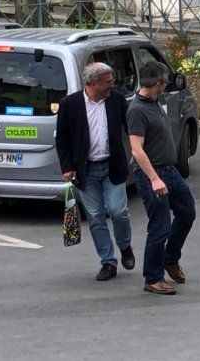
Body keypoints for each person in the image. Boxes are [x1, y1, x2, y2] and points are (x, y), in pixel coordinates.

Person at [55, 62, 134, 281]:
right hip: (85, 170)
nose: (112, 85)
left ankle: (125, 245)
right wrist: (67, 167)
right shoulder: (70, 105)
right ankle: (108, 262)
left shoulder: (117, 101)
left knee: (118, 211)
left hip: (112, 166)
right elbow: (61, 139)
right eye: (108, 82)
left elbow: (131, 128)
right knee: (96, 217)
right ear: (93, 83)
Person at [128, 61, 197, 295]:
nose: (166, 86)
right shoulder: (137, 110)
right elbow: (137, 149)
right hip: (153, 174)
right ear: (157, 84)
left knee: (187, 212)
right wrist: (154, 179)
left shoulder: (155, 102)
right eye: (164, 83)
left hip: (170, 171)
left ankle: (170, 259)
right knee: (160, 227)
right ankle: (152, 278)